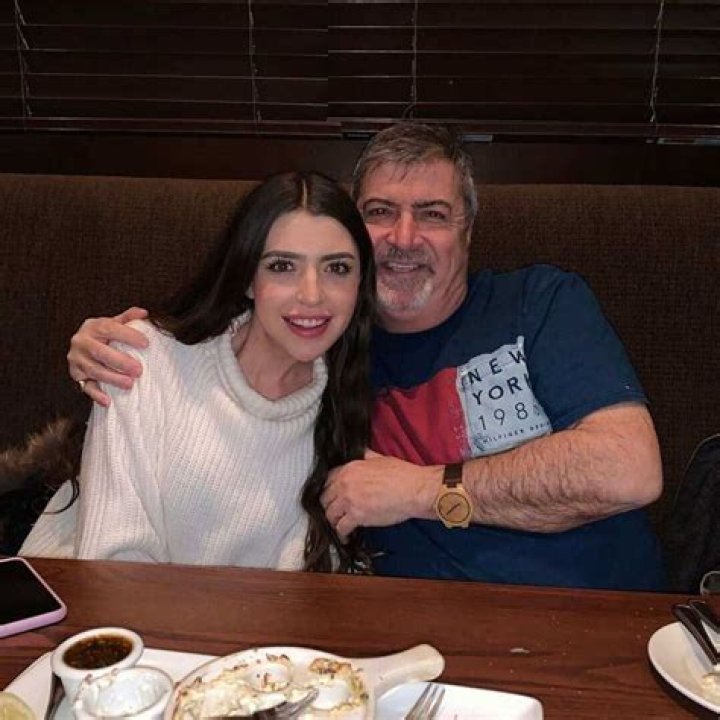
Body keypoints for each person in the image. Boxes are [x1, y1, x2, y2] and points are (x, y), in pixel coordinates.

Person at [65, 123, 665, 590]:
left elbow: (628, 470)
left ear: (468, 231)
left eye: (432, 214)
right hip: (424, 639)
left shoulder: (538, 302)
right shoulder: (325, 349)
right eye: (380, 213)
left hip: (604, 613)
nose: (403, 238)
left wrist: (422, 491)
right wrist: (119, 346)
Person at [21, 171, 376, 573]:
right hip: (76, 601)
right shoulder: (143, 359)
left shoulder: (350, 398)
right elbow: (112, 563)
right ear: (247, 279)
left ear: (360, 282)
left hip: (248, 616)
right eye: (281, 266)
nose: (312, 295)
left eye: (337, 268)